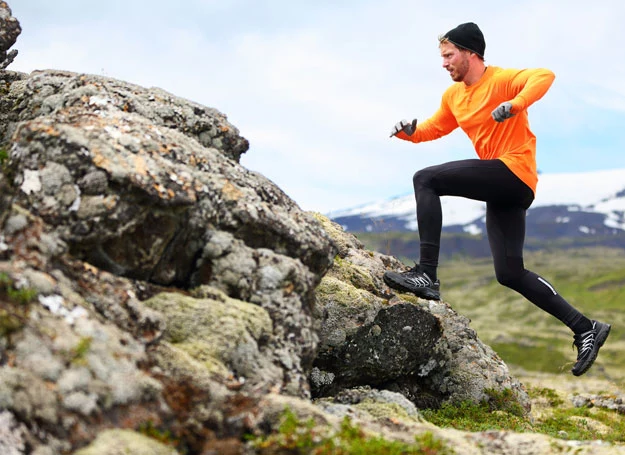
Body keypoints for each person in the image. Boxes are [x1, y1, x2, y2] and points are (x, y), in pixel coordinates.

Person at [383, 22, 610, 376]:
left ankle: (427, 273)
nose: (444, 63)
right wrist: (411, 134)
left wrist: (516, 104)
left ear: (471, 53)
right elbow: (436, 127)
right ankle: (585, 327)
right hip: (504, 189)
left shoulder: (501, 79)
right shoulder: (454, 96)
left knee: (425, 179)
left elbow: (545, 76)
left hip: (514, 171)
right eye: (442, 57)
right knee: (509, 272)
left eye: (449, 55)